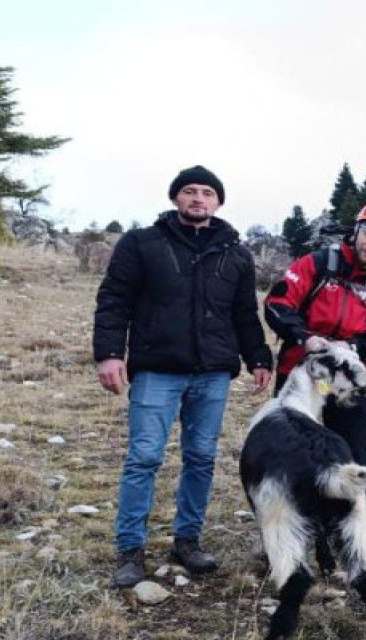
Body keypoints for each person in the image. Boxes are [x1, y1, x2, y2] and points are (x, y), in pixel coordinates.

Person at [94, 165, 273, 588]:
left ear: (218, 202)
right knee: (144, 458)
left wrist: (259, 357)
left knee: (201, 458)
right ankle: (130, 548)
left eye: (207, 193)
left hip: (212, 374)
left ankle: (187, 540)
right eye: (189, 191)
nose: (198, 199)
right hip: (157, 370)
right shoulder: (142, 244)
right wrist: (108, 354)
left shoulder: (236, 253)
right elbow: (114, 300)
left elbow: (245, 315)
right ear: (176, 198)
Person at [263, 200, 366, 513]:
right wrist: (305, 337)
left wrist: (353, 347)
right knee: (291, 447)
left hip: (349, 377)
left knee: (355, 450)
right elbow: (277, 303)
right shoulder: (319, 262)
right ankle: (290, 520)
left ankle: (355, 525)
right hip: (303, 370)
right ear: (356, 232)